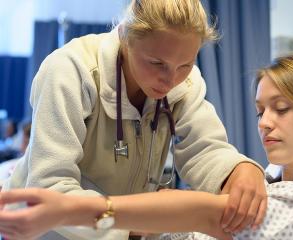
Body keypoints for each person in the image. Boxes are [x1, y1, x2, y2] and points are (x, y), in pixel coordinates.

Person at [1, 54, 293, 240]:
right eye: (260, 110)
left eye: (281, 109)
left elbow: (202, 212)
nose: (264, 122)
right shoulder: (261, 188)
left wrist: (70, 209)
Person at [1, 0, 266, 239]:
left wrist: (240, 169)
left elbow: (205, 150)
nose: (171, 79)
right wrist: (141, 220)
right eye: (156, 63)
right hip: (48, 232)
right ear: (125, 36)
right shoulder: (69, 71)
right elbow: (50, 187)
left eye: (185, 65)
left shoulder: (186, 84)